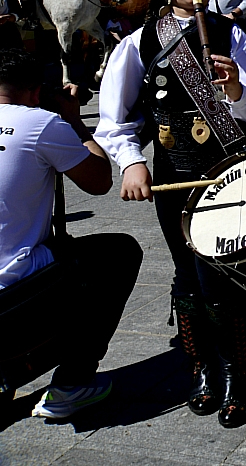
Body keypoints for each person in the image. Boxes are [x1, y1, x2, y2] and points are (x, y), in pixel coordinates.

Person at [94, 0, 246, 428]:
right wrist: (131, 161)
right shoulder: (139, 42)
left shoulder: (235, 36)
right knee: (187, 273)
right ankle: (202, 366)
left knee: (227, 274)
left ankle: (237, 373)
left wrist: (236, 89)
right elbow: (115, 118)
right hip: (175, 178)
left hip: (231, 175)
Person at [0, 49, 142, 419]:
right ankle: (71, 384)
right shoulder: (40, 123)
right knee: (119, 253)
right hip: (10, 294)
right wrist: (74, 121)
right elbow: (99, 180)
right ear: (36, 92)